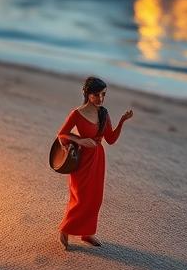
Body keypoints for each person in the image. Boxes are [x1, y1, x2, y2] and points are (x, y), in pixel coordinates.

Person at [56, 76, 133, 249]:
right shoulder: (77, 113)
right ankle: (65, 229)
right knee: (80, 197)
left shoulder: (103, 113)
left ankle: (87, 233)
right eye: (96, 95)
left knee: (95, 198)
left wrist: (122, 121)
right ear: (87, 94)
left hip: (98, 158)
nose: (100, 98)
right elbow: (61, 134)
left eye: (103, 94)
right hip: (81, 159)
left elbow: (111, 139)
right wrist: (81, 141)